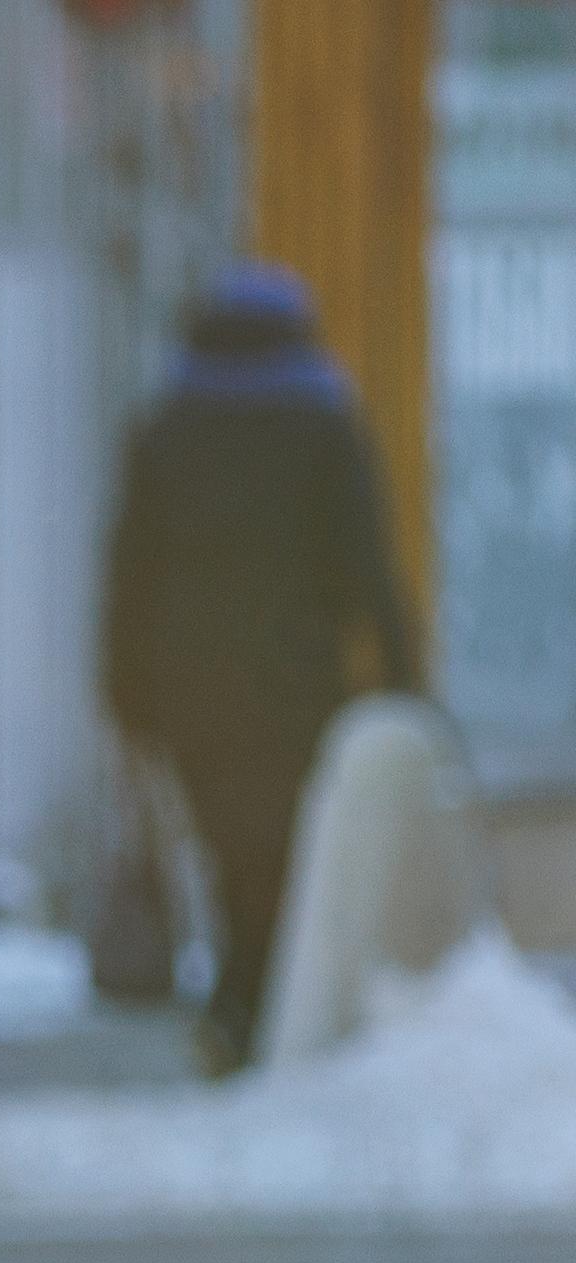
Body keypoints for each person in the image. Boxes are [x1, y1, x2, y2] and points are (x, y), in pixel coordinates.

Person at [102, 262, 421, 1075]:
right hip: (296, 674)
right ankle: (259, 1010)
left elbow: (129, 567)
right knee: (283, 845)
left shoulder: (170, 418)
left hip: (191, 681)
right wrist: (401, 676)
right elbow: (367, 563)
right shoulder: (323, 417)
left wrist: (123, 688)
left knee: (227, 848)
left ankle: (246, 1010)